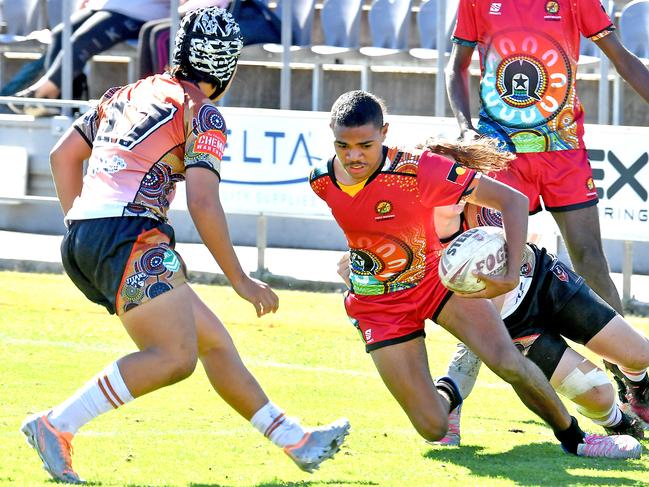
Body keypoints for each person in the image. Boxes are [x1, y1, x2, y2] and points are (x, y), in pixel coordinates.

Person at [20, 7, 349, 484]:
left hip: (88, 233)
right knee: (175, 357)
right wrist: (241, 280)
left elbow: (63, 154)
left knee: (212, 341)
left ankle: (296, 440)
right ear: (228, 65)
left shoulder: (128, 92)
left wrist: (81, 223)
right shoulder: (204, 114)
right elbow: (203, 202)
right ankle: (57, 424)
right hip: (130, 234)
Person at [309, 89, 640, 460]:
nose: (354, 156)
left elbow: (512, 201)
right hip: (380, 307)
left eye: (365, 145)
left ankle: (578, 440)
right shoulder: (321, 180)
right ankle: (447, 398)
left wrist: (510, 272)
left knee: (508, 362)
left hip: (436, 285)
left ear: (385, 133)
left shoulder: (419, 169)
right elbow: (368, 230)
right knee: (432, 428)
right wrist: (361, 265)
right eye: (343, 146)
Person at [445, 0, 649, 426]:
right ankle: (451, 398)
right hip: (501, 156)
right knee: (486, 273)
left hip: (563, 154)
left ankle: (634, 383)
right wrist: (465, 128)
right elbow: (456, 67)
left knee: (592, 263)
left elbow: (623, 59)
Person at [338, 196, 649, 446]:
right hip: (515, 326)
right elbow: (355, 264)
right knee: (597, 392)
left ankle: (637, 390)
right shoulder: (415, 237)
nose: (452, 191)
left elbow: (518, 207)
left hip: (546, 281)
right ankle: (619, 422)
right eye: (439, 188)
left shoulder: (481, 191)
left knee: (640, 354)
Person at [8, 0, 172, 116]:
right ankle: (61, 103)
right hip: (106, 5)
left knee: (82, 40)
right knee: (60, 34)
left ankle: (41, 93)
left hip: (144, 11)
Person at [137, 0, 280, 79]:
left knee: (163, 36)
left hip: (237, 17)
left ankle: (168, 97)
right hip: (205, 15)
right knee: (149, 29)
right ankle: (148, 92)